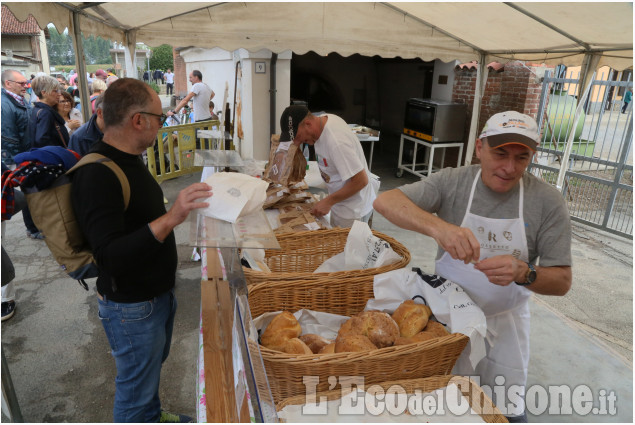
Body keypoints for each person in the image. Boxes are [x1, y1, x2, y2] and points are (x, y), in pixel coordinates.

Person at [373, 111, 572, 422]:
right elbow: (386, 201)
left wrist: (525, 273)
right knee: (446, 406)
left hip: (507, 327)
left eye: (522, 157)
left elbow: (562, 281)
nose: (509, 168)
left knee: (505, 411)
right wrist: (440, 228)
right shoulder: (454, 182)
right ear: (480, 148)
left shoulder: (547, 201)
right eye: (500, 153)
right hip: (449, 322)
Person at [71, 78, 212, 422]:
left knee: (146, 378)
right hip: (131, 306)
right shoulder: (97, 173)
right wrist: (174, 216)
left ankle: (152, 413)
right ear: (138, 120)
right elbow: (109, 257)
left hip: (153, 296)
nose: (162, 125)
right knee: (133, 392)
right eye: (160, 119)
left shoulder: (130, 157)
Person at [280, 105, 378, 228]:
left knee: (349, 247)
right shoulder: (322, 121)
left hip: (354, 211)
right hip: (341, 205)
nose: (298, 142)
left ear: (308, 124)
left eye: (298, 137)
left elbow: (361, 180)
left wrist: (328, 201)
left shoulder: (337, 142)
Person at [28, 75, 69, 149]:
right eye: (55, 91)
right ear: (44, 93)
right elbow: (42, 140)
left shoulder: (37, 109)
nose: (59, 94)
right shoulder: (45, 113)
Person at [1, 69, 31, 166]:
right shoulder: (3, 104)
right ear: (8, 84)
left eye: (26, 83)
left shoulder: (19, 98)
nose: (26, 86)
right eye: (21, 83)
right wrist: (20, 160)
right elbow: (8, 138)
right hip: (15, 160)